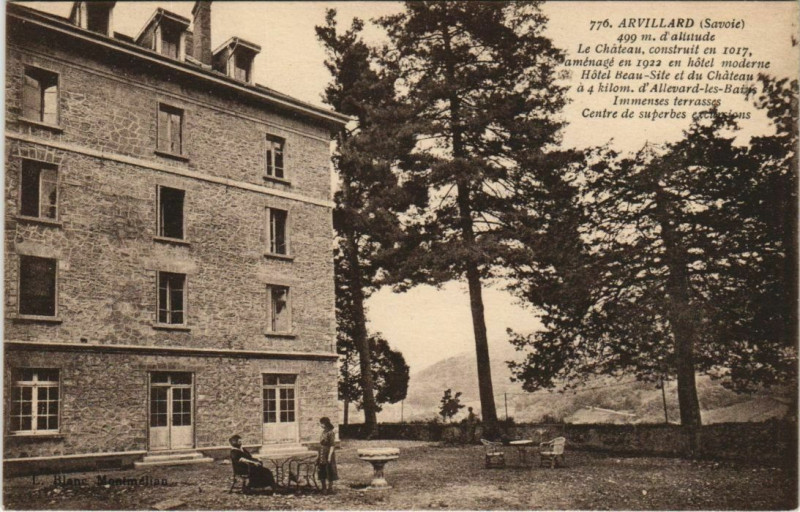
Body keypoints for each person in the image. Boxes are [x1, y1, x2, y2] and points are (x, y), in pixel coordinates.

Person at [317, 417, 338, 494]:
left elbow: (332, 445)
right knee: (322, 469)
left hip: (328, 453)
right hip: (322, 452)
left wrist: (329, 456)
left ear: (325, 424)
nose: (320, 425)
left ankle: (330, 488)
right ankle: (324, 488)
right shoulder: (323, 432)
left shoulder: (330, 433)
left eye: (321, 423)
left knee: (329, 470)